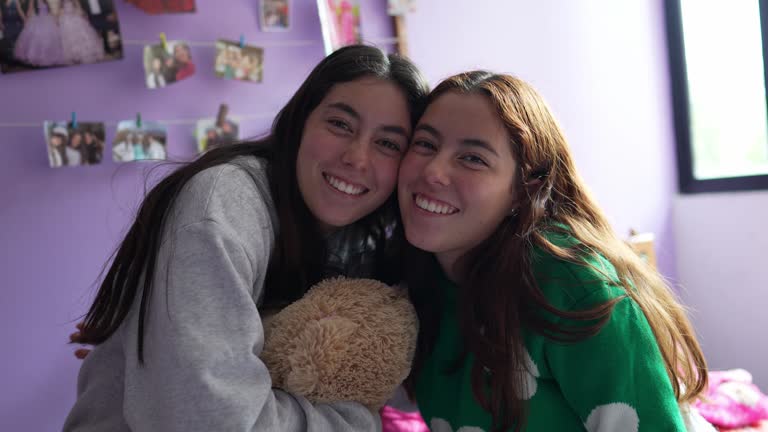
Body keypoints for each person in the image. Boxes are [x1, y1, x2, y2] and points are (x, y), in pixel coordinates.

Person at [63, 44, 429, 431]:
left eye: (388, 143)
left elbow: (395, 382)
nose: (357, 158)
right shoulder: (221, 205)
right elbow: (210, 421)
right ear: (300, 121)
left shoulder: (366, 242)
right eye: (340, 124)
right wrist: (356, 423)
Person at [397, 71, 709, 432]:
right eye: (425, 145)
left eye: (473, 158)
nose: (434, 171)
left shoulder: (571, 282)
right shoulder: (415, 289)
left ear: (524, 189)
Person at [58, 0, 105, 64]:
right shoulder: (61, 1)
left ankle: (84, 54)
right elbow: (60, 10)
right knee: (70, 39)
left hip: (75, 17)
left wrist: (80, 14)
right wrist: (61, 17)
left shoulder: (74, 1)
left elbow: (78, 7)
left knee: (83, 36)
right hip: (66, 20)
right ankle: (75, 56)